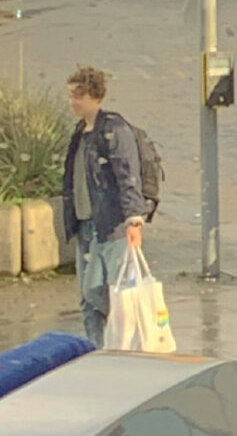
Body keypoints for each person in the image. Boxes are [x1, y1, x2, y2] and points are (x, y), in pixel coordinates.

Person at [61, 65, 149, 348]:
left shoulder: (113, 129)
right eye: (71, 95)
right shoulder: (81, 132)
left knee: (104, 291)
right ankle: (97, 349)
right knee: (88, 298)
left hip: (110, 225)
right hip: (86, 223)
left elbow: (128, 173)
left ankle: (121, 344)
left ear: (94, 96)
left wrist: (134, 218)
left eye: (78, 95)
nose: (73, 102)